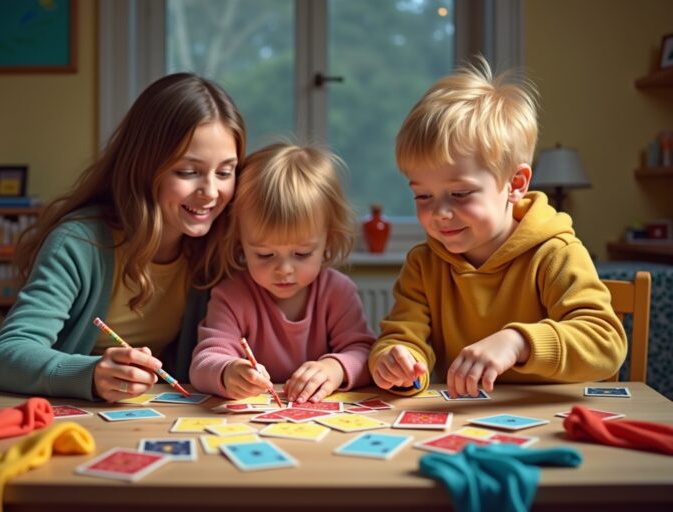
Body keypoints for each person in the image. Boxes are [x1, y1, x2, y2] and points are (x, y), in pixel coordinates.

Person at [368, 57, 627, 398]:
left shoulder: (555, 253)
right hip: (465, 421)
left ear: (515, 183)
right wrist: (397, 362)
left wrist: (518, 341)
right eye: (423, 196)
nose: (440, 213)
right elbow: (403, 337)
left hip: (555, 420)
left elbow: (605, 344)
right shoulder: (423, 264)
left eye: (460, 193)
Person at [0, 73, 246, 402]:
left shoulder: (219, 248)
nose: (210, 192)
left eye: (225, 172)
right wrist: (90, 375)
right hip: (75, 421)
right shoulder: (79, 243)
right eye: (188, 171)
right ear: (144, 167)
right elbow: (3, 357)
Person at [189, 143, 375, 404]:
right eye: (265, 255)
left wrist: (334, 368)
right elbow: (203, 362)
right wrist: (228, 371)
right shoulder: (231, 295)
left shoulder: (337, 291)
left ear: (327, 242)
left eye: (302, 254)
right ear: (241, 242)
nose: (284, 270)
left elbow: (365, 353)